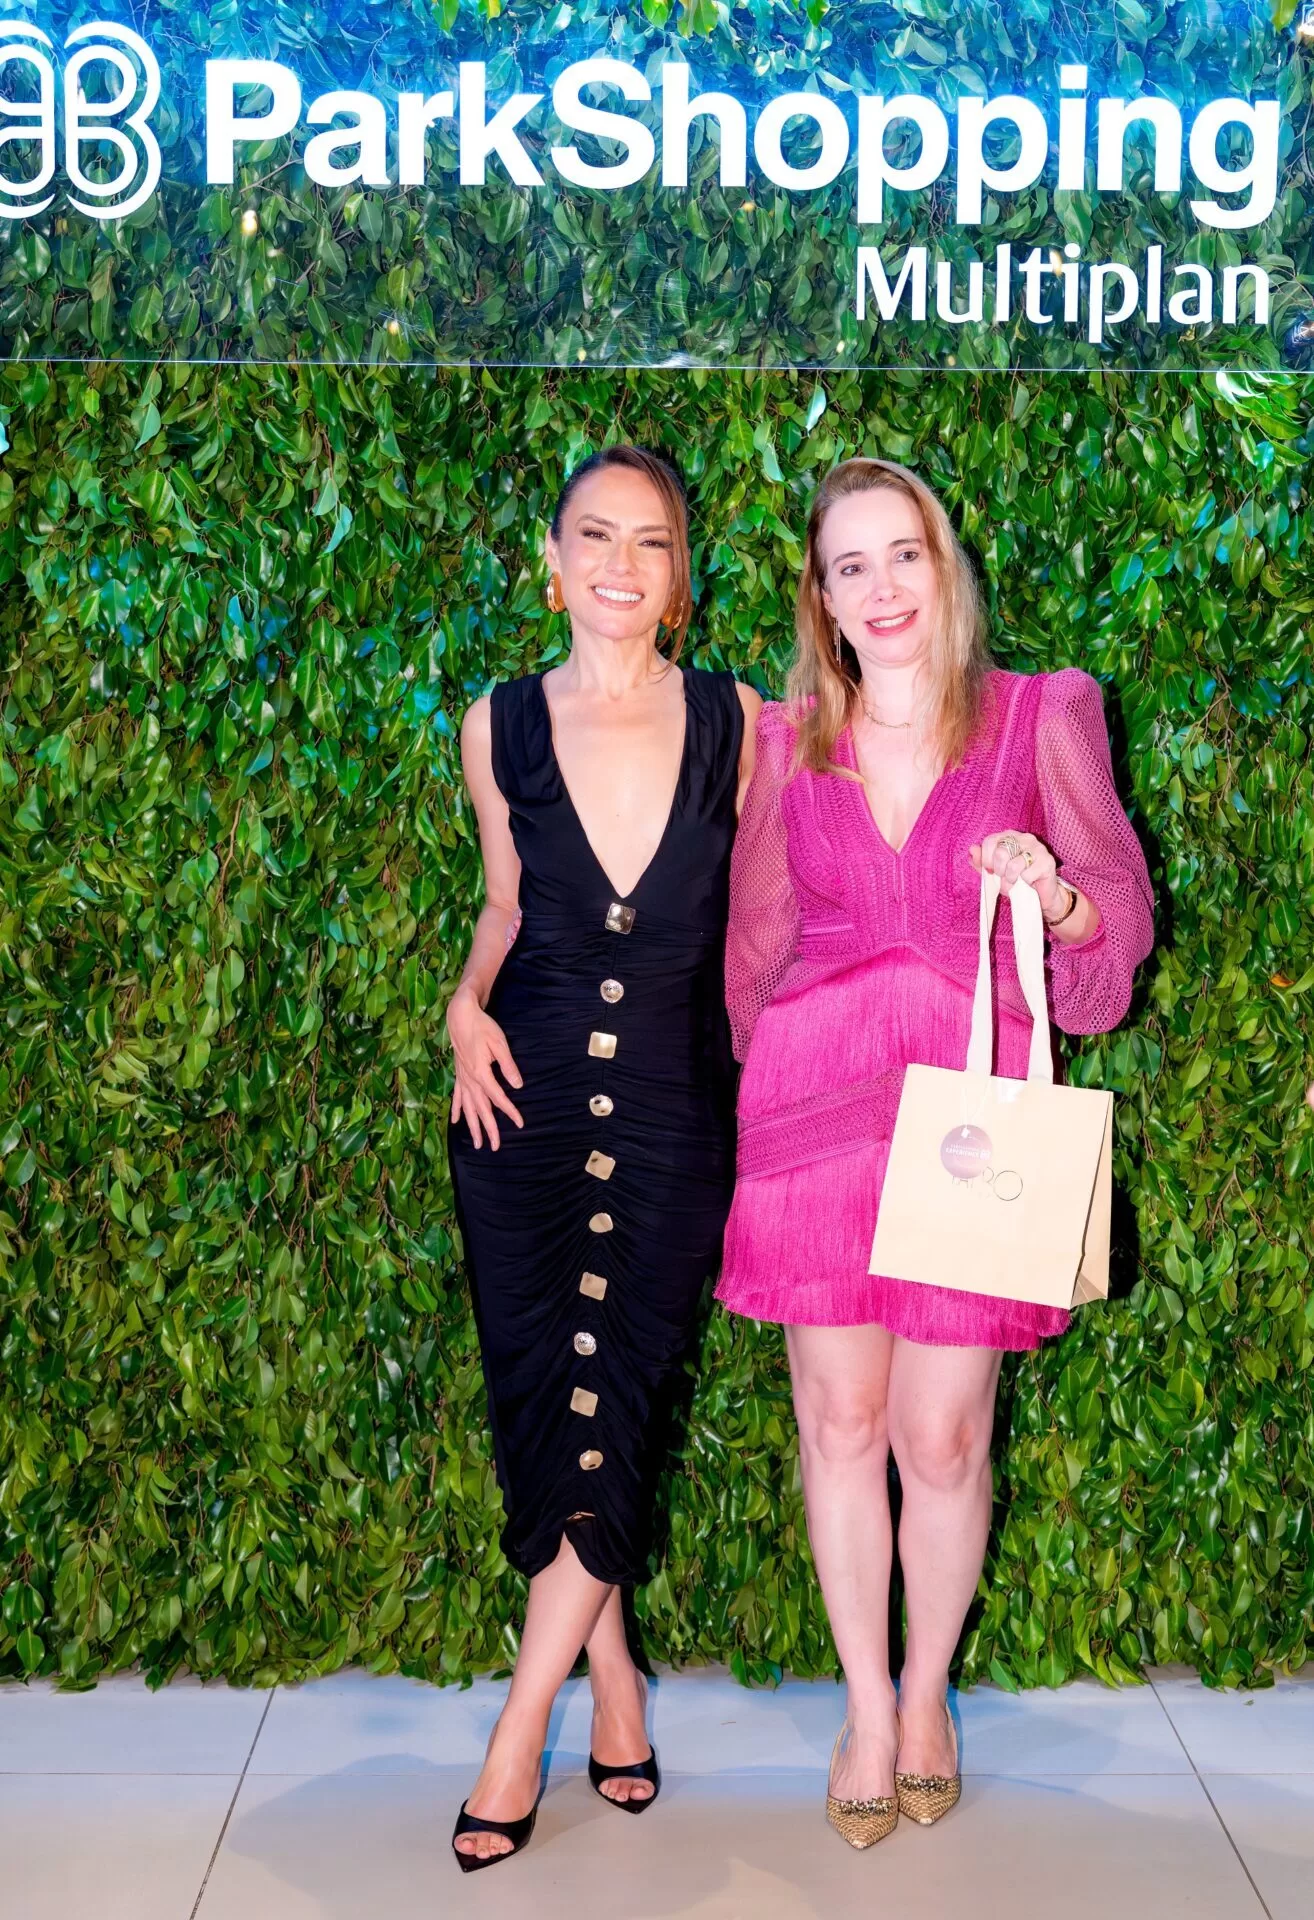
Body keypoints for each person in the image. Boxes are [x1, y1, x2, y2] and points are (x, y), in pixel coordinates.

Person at [717, 456, 1154, 1848]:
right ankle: (864, 1707)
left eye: (902, 554)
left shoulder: (1035, 716)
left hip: (967, 1126)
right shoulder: (788, 741)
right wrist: (770, 1092)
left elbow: (1116, 919)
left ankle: (926, 1696)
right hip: (817, 1119)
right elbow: (755, 940)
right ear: (822, 597)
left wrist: (1056, 901)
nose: (883, 587)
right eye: (850, 566)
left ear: (942, 563)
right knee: (840, 1426)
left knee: (942, 1434)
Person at [445, 444, 760, 1869]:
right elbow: (505, 902)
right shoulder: (497, 723)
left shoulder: (739, 721)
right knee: (547, 1398)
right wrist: (463, 1003)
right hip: (520, 1102)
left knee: (619, 1386)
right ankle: (614, 1682)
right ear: (553, 560)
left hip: (675, 1111)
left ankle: (520, 1732)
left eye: (650, 541)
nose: (621, 564)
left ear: (680, 575)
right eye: (595, 535)